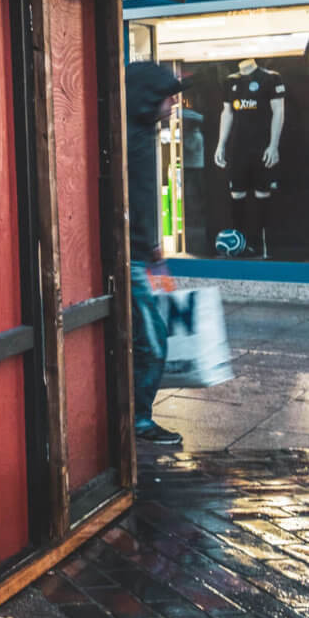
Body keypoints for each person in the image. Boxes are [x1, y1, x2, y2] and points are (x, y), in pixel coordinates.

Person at [126, 62, 189, 445]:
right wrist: (151, 248)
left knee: (150, 332)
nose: (172, 105)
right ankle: (138, 420)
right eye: (168, 97)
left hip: (146, 254)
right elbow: (138, 198)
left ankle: (137, 415)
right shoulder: (133, 137)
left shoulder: (144, 132)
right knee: (152, 339)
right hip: (135, 256)